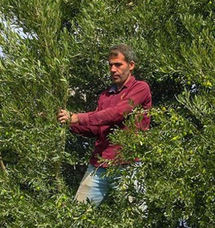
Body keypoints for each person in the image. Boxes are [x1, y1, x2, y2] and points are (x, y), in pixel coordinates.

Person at [58, 44, 152, 205]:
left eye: (118, 65)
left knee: (134, 221)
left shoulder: (140, 88)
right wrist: (67, 123)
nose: (113, 69)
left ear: (131, 65)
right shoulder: (105, 95)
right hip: (99, 165)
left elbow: (116, 114)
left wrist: (76, 117)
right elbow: (96, 128)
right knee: (77, 215)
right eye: (110, 65)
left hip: (129, 165)